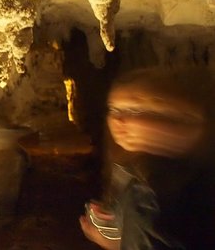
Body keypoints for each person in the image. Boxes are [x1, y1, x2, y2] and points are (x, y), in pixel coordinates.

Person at [80, 67, 215, 250]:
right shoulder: (194, 170)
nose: (118, 120)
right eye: (114, 108)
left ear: (176, 115)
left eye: (135, 111)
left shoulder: (149, 196)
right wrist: (121, 234)